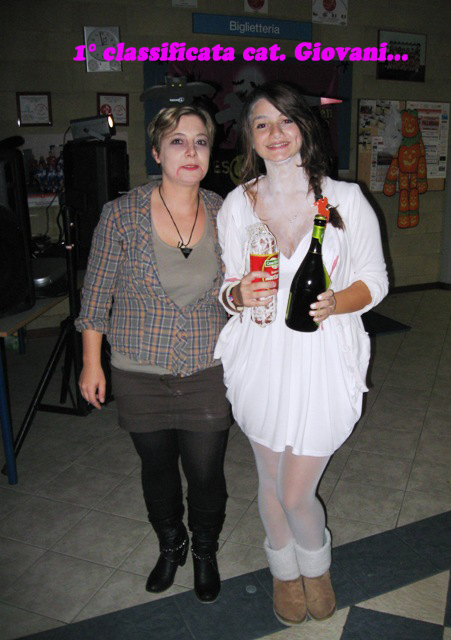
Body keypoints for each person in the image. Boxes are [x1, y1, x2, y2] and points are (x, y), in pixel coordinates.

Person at [214, 82, 388, 625]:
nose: (276, 133)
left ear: (304, 128)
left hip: (322, 355)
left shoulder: (344, 199)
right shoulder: (238, 204)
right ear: (250, 137)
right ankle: (285, 575)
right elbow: (229, 284)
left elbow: (375, 281)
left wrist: (337, 302)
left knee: (295, 491)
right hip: (261, 354)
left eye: (285, 120)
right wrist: (236, 295)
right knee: (269, 481)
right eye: (262, 124)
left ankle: (317, 568)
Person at [75, 104, 232, 604]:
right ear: (158, 151)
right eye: (178, 141)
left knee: (206, 471)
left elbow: (241, 284)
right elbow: (95, 296)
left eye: (201, 141)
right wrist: (92, 363)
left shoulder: (226, 212)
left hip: (207, 366)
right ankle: (171, 543)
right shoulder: (121, 215)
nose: (191, 151)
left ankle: (204, 549)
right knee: (158, 469)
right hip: (139, 370)